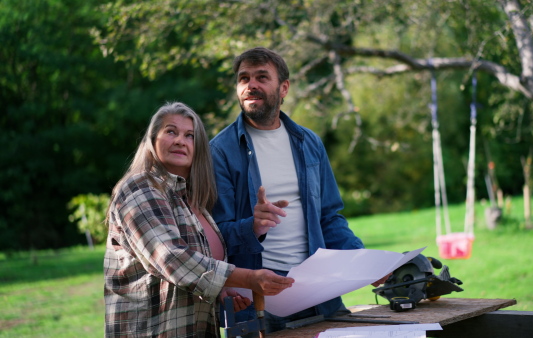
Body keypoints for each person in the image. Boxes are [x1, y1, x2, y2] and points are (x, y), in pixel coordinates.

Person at [210, 47, 389, 333]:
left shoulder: (309, 143)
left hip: (319, 292)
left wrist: (364, 262)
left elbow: (329, 217)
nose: (250, 85)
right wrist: (252, 226)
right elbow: (214, 237)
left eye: (261, 77)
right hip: (260, 300)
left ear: (283, 88)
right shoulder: (220, 151)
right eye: (243, 79)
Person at [104, 101, 294, 337]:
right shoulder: (140, 189)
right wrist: (249, 278)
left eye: (190, 136)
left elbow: (196, 269)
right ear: (152, 140)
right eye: (171, 131)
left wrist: (221, 291)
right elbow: (171, 258)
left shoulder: (193, 201)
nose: (180, 141)